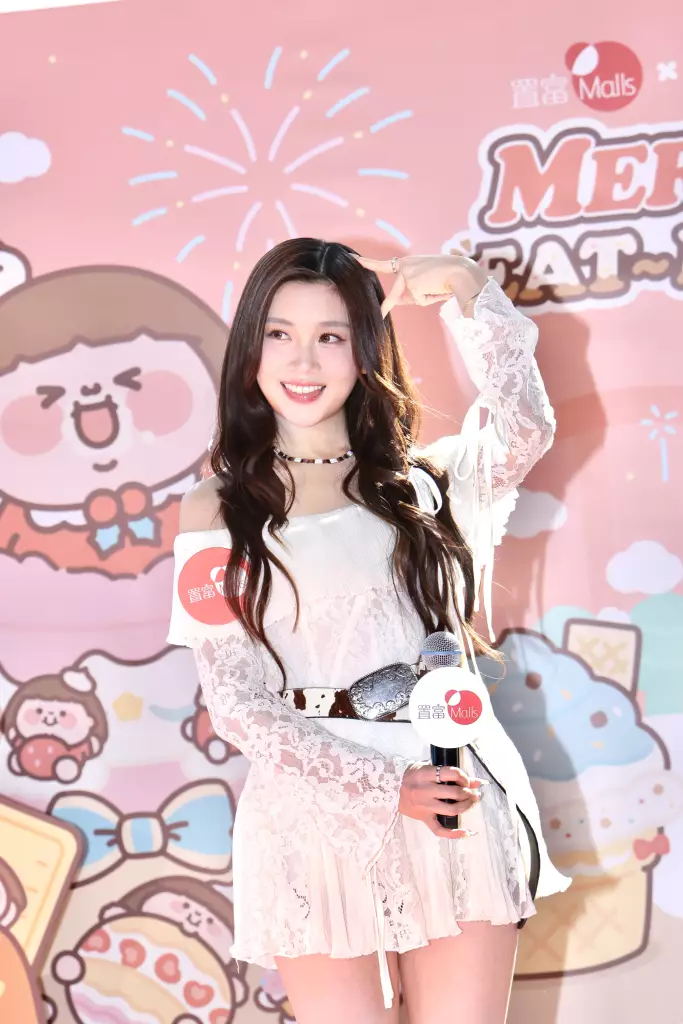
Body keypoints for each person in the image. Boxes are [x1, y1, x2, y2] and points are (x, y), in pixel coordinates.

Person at [167, 240, 570, 1024]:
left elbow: (525, 426)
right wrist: (384, 789)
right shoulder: (216, 508)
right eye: (279, 333)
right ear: (250, 345)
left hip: (451, 787)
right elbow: (238, 700)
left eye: (330, 335)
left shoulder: (428, 482)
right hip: (314, 811)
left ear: (364, 349)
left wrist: (471, 292)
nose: (302, 360)